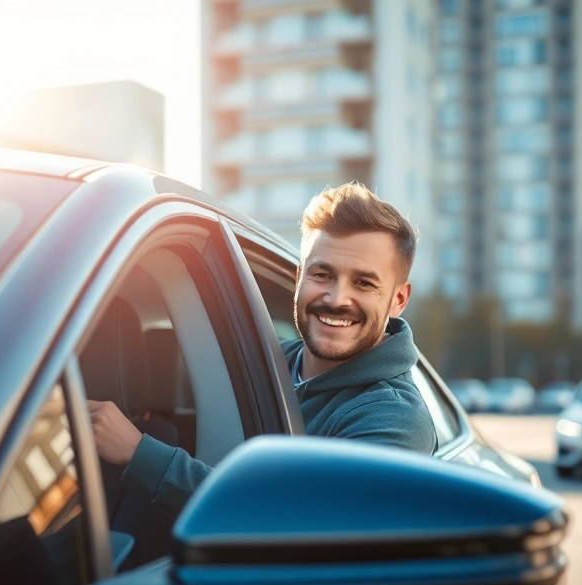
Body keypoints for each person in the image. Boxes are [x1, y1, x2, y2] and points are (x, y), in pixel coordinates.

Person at [89, 182, 438, 517]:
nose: (336, 299)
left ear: (399, 299)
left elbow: (297, 527)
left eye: (363, 283)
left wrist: (139, 454)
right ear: (300, 277)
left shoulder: (395, 419)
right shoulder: (261, 359)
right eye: (322, 275)